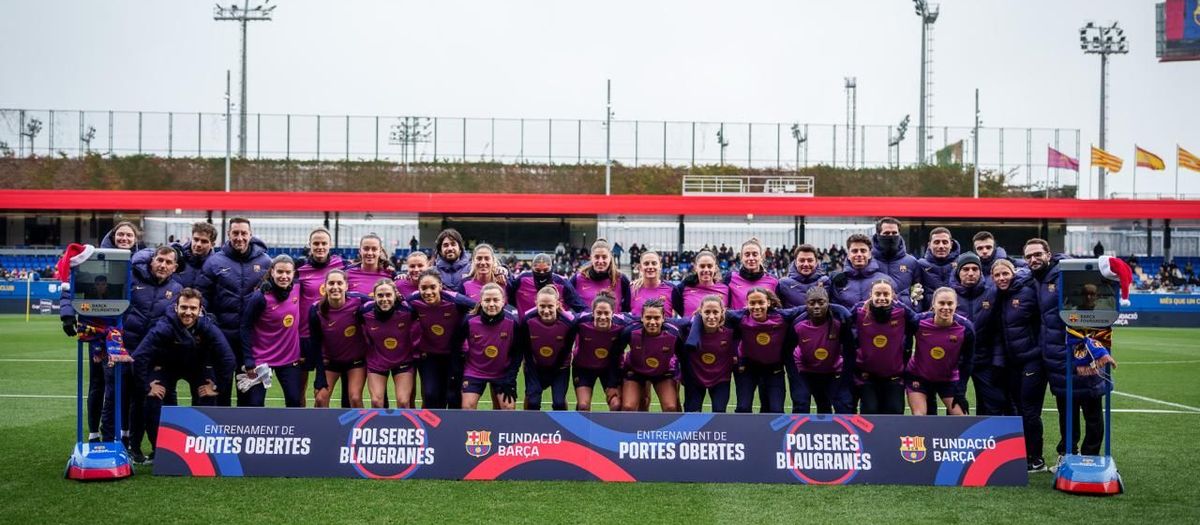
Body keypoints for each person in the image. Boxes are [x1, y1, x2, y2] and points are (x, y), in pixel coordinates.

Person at [1025, 238, 1112, 468]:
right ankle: (1068, 455)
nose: (1033, 259)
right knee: (1067, 410)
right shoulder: (1034, 279)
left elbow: (1093, 294)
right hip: (1056, 357)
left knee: (1092, 407)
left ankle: (1090, 457)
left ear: (1048, 254)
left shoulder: (1067, 273)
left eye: (1037, 254)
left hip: (1081, 351)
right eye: (1028, 257)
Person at [59, 222, 143, 445]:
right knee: (98, 383)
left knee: (123, 385)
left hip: (128, 333)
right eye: (121, 234)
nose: (125, 238)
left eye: (129, 235)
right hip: (97, 331)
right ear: (114, 236)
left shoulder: (142, 261)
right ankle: (94, 434)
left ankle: (122, 435)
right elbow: (71, 283)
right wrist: (67, 313)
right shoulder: (92, 257)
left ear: (136, 238)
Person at [132, 288, 234, 464]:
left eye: (193, 308)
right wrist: (146, 387)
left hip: (197, 367)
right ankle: (160, 449)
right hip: (167, 366)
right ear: (176, 307)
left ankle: (202, 448)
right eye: (184, 307)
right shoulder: (164, 326)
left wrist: (217, 388)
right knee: (153, 399)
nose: (188, 312)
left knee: (207, 396)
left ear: (200, 310)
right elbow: (140, 356)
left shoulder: (207, 326)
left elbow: (228, 358)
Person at [195, 217, 270, 406]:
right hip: (222, 338)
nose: (239, 237)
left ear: (250, 235)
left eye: (243, 233)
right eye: (235, 233)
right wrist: (212, 327)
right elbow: (202, 298)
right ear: (228, 234)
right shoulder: (214, 262)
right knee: (221, 392)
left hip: (253, 341)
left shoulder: (265, 262)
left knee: (249, 395)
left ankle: (245, 434)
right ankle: (222, 434)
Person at [121, 245, 182, 463]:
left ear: (175, 267)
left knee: (161, 399)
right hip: (129, 353)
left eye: (168, 262)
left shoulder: (177, 290)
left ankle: (163, 449)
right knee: (135, 401)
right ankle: (133, 448)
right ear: (152, 261)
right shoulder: (133, 281)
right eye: (160, 260)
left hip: (158, 359)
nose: (163, 265)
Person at [991, 258, 1048, 472]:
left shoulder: (1028, 290)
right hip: (1013, 362)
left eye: (1005, 273)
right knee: (1016, 408)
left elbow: (1043, 320)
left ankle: (1036, 457)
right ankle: (1020, 454)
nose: (1001, 278)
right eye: (997, 275)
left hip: (1032, 359)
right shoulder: (999, 296)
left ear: (1013, 272)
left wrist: (1039, 350)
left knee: (1029, 409)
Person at [239, 255, 306, 408]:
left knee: (295, 401)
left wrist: (303, 259)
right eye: (280, 272)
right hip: (261, 360)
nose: (284, 276)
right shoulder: (260, 297)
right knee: (255, 404)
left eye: (288, 272)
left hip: (289, 358)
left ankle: (294, 432)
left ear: (294, 273)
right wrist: (249, 360)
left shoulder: (297, 288)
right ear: (272, 272)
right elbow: (245, 327)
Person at [408, 269, 476, 409]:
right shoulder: (414, 300)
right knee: (430, 394)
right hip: (430, 353)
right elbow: (397, 305)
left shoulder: (455, 300)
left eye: (432, 287)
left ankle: (453, 429)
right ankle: (432, 428)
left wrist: (463, 328)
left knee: (452, 395)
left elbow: (479, 307)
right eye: (423, 288)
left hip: (455, 354)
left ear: (440, 286)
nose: (428, 292)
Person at [295, 227, 345, 407]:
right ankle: (301, 426)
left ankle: (320, 428)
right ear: (310, 245)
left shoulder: (341, 266)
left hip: (330, 337)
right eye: (316, 243)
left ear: (330, 245)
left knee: (321, 390)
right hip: (304, 337)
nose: (320, 247)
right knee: (299, 388)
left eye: (324, 243)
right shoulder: (300, 270)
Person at [851, 279, 918, 414]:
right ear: (871, 295)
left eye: (886, 294)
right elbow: (842, 323)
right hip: (867, 377)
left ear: (892, 295)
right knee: (870, 411)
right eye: (878, 294)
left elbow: (919, 323)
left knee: (894, 413)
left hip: (894, 376)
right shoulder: (859, 311)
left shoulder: (902, 311)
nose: (882, 298)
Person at [906, 287, 974, 416]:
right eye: (941, 303)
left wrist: (960, 389)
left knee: (961, 417)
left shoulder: (966, 328)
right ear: (933, 305)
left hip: (948, 379)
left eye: (950, 303)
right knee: (919, 417)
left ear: (956, 305)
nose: (946, 307)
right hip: (918, 376)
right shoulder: (919, 321)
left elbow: (968, 361)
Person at [786, 287, 855, 414]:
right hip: (805, 370)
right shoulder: (798, 324)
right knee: (802, 402)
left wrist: (845, 379)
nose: (816, 307)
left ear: (828, 302)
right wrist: (794, 377)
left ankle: (844, 433)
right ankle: (800, 433)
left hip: (833, 369)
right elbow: (787, 352)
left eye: (821, 302)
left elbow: (850, 351)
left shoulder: (840, 321)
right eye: (812, 303)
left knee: (843, 404)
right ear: (806, 304)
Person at [455, 283, 522, 410]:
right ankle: (471, 430)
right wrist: (457, 373)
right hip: (474, 371)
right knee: (467, 407)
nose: (491, 304)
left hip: (502, 373)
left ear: (503, 301)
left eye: (496, 300)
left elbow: (518, 353)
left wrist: (510, 379)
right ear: (481, 301)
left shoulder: (513, 322)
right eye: (487, 300)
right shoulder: (469, 321)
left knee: (508, 408)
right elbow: (456, 346)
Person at [950, 252, 1001, 415]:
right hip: (957, 361)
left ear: (980, 271)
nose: (970, 273)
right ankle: (954, 439)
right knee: (955, 405)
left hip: (985, 359)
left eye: (974, 269)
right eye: (965, 269)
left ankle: (988, 439)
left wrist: (997, 359)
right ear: (958, 272)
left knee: (991, 405)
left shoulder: (992, 293)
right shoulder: (949, 295)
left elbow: (999, 329)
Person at [310, 269, 367, 408]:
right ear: (325, 286)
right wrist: (319, 376)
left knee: (354, 397)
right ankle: (321, 430)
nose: (335, 287)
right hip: (330, 361)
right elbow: (315, 343)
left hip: (356, 361)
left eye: (339, 283)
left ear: (346, 286)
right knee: (320, 399)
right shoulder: (315, 310)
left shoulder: (359, 300)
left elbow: (383, 304)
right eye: (331, 283)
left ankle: (358, 429)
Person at [360, 279, 419, 409]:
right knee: (376, 402)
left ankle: (405, 428)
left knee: (403, 402)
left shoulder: (407, 310)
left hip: (403, 360)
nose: (384, 299)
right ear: (374, 297)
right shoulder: (364, 311)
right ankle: (379, 428)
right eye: (380, 295)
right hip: (377, 361)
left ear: (395, 295)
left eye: (388, 295)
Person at [618, 298, 683, 412]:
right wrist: (613, 382)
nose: (652, 322)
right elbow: (616, 353)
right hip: (635, 371)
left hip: (663, 372)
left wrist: (680, 378)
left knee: (671, 407)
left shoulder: (674, 334)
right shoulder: (630, 332)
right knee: (628, 407)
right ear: (642, 317)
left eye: (657, 318)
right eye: (648, 317)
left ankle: (671, 430)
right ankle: (631, 429)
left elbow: (684, 358)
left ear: (663, 318)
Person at [519, 286, 577, 411]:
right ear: (536, 304)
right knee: (533, 401)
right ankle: (530, 427)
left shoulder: (569, 322)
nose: (546, 310)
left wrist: (554, 368)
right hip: (534, 366)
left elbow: (566, 350)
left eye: (550, 306)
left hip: (560, 366)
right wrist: (531, 365)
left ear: (557, 304)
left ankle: (562, 427)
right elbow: (526, 349)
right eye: (542, 306)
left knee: (559, 403)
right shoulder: (527, 320)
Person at [571, 291, 628, 411]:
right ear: (593, 312)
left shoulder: (623, 323)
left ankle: (613, 429)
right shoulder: (581, 321)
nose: (602, 317)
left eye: (606, 313)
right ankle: (581, 429)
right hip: (583, 367)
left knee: (616, 405)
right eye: (599, 313)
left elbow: (642, 321)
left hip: (610, 368)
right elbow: (564, 324)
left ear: (613, 313)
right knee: (583, 406)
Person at [681, 295, 738, 412]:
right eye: (707, 312)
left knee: (719, 413)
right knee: (692, 414)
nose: (711, 316)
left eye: (715, 312)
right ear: (700, 312)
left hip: (721, 379)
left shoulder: (731, 332)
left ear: (722, 312)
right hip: (695, 379)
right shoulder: (687, 331)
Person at [830, 234, 900, 310]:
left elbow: (896, 308)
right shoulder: (838, 282)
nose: (859, 254)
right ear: (848, 255)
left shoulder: (886, 281)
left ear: (869, 254)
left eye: (863, 251)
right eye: (854, 251)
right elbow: (834, 310)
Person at [569, 239, 631, 313]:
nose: (600, 261)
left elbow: (628, 308)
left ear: (610, 258)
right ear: (591, 257)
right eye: (597, 257)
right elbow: (567, 303)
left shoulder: (621, 279)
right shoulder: (578, 278)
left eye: (604, 257)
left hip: (613, 324)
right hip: (583, 324)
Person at [507, 253, 583, 314]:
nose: (542, 273)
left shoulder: (562, 283)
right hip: (526, 329)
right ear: (532, 268)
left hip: (556, 330)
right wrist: (504, 269)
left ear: (552, 268)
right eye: (537, 270)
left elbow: (580, 307)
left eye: (546, 270)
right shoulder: (522, 280)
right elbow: (507, 293)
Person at [871, 217, 920, 307]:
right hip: (874, 313)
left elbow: (918, 291)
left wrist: (915, 309)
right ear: (878, 235)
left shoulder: (911, 262)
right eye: (886, 233)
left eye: (894, 233)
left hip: (903, 313)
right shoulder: (868, 260)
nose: (891, 236)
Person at [725, 237, 780, 309]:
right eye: (747, 255)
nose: (751, 258)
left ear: (761, 257)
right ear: (741, 257)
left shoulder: (773, 280)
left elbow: (778, 310)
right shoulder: (730, 278)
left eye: (755, 254)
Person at [672, 250, 730, 318]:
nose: (706, 270)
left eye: (709, 266)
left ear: (715, 268)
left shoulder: (725, 289)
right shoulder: (683, 288)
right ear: (696, 268)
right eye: (702, 266)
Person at [915, 227, 961, 310]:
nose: (941, 246)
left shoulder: (961, 265)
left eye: (945, 242)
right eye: (936, 242)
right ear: (929, 245)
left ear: (951, 244)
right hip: (927, 318)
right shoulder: (919, 265)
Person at [776, 244, 830, 309]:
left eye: (810, 260)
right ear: (795, 262)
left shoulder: (825, 281)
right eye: (802, 260)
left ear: (816, 262)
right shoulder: (783, 284)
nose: (806, 264)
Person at [173, 222, 218, 289]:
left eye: (204, 241)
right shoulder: (176, 259)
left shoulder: (216, 267)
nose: (198, 244)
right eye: (196, 239)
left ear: (212, 244)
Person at [630, 251, 676, 317]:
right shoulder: (632, 290)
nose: (650, 266)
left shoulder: (671, 289)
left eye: (654, 263)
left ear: (660, 266)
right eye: (646, 264)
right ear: (640, 267)